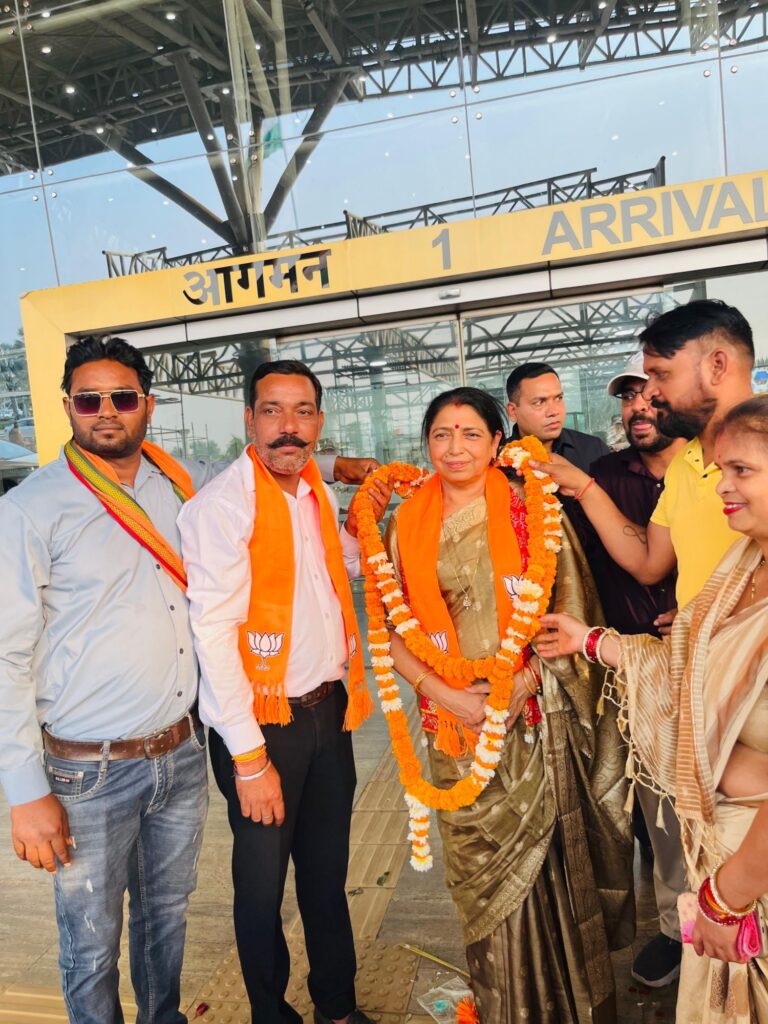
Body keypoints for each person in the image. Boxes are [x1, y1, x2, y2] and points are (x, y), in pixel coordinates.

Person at [0, 336, 376, 1024]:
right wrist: (24, 792)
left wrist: (338, 465)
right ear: (68, 406)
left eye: (122, 397)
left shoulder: (176, 478)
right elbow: (6, 655)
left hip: (176, 749)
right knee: (92, 940)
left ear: (147, 405)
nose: (106, 412)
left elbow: (272, 457)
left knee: (165, 917)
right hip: (91, 763)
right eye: (89, 399)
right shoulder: (31, 509)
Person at [383, 386, 633, 1024]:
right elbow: (390, 631)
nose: (455, 447)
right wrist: (446, 695)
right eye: (441, 434)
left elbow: (570, 614)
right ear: (426, 443)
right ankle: (506, 1008)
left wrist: (518, 687)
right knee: (481, 880)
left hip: (534, 720)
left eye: (471, 433)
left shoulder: (536, 511)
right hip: (455, 731)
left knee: (554, 866)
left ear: (498, 441)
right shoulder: (404, 524)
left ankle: (571, 1007)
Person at [536, 395, 768, 1024]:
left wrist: (726, 899)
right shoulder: (744, 564)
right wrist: (591, 642)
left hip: (747, 876)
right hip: (719, 854)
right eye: (720, 470)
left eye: (741, 471)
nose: (722, 486)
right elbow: (687, 674)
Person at [178, 360, 389, 1024]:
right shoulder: (222, 507)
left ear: (318, 422)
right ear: (250, 420)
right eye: (272, 410)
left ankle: (337, 1007)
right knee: (261, 888)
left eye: (302, 412)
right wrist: (249, 759)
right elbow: (213, 635)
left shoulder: (313, 495)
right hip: (262, 726)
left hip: (329, 712)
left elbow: (341, 570)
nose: (287, 426)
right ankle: (270, 1013)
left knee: (326, 877)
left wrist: (367, 519)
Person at [534, 300, 755, 610]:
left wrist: (711, 614)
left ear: (717, 366)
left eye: (661, 375)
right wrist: (584, 487)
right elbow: (650, 563)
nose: (647, 394)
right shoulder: (685, 462)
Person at [592, 352, 688, 988]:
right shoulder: (604, 475)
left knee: (729, 797)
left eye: (652, 393)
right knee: (660, 810)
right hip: (634, 669)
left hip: (716, 660)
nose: (639, 408)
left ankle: (743, 917)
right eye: (629, 397)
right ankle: (680, 931)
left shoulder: (714, 467)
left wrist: (703, 610)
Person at [505, 362, 609, 472]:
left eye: (558, 398)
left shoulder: (594, 450)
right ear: (513, 412)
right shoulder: (497, 460)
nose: (554, 411)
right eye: (539, 402)